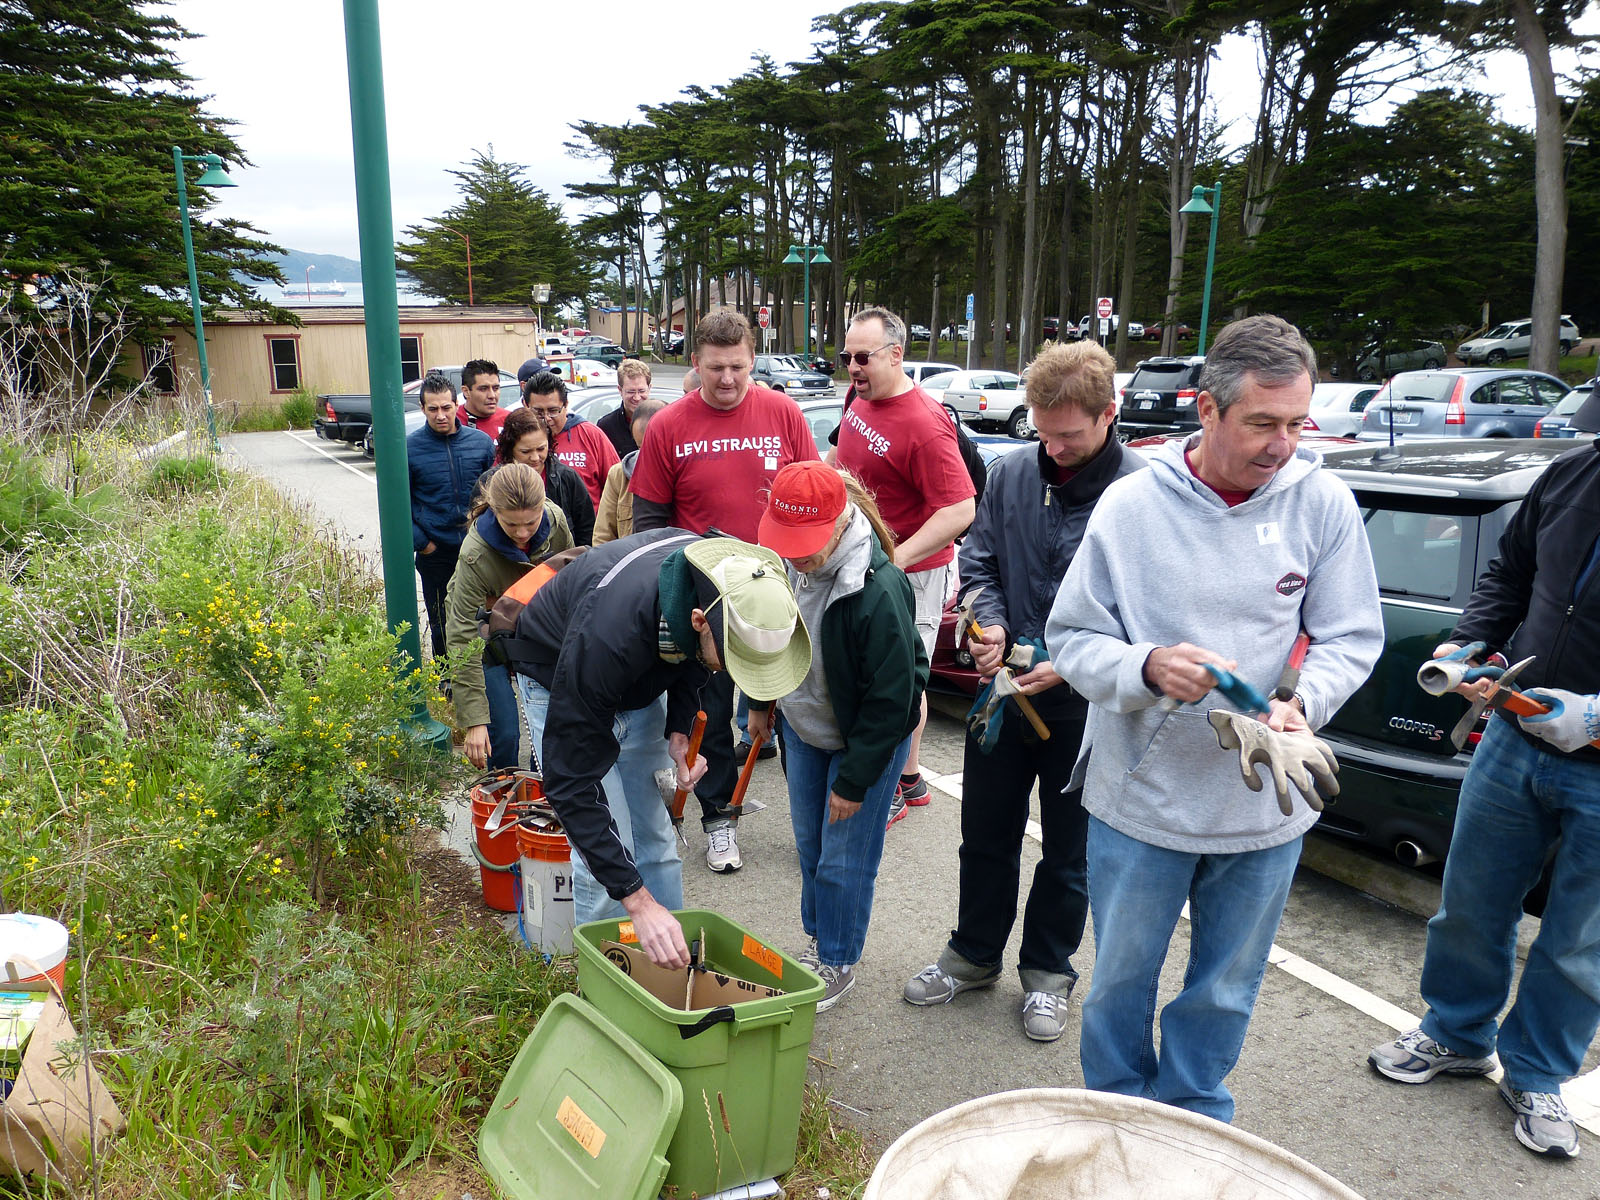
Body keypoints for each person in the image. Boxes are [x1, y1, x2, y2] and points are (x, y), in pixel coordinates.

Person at [1045, 314, 1383, 1122]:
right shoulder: (1132, 506)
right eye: (1262, 423)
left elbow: (1350, 636)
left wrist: (1302, 703)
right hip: (1142, 798)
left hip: (1265, 799)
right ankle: (1120, 1117)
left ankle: (1196, 1119)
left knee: (1227, 986)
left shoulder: (1324, 503)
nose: (1283, 444)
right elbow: (1073, 640)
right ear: (1206, 408)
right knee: (1121, 980)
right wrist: (1146, 666)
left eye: (1297, 423)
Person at [903, 339, 1143, 1042]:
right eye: (1043, 432)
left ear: (1108, 414)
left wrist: (1072, 663)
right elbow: (978, 563)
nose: (1054, 449)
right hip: (1003, 694)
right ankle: (974, 955)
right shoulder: (1010, 472)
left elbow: (1149, 612)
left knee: (1070, 851)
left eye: (1069, 436)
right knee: (984, 834)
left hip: (1088, 706)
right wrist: (989, 626)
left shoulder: (1142, 493)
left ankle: (1047, 971)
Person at [1368, 436, 1600, 1159]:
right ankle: (1457, 1032)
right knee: (1470, 902)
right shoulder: (1574, 473)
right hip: (1513, 736)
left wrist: (1597, 718)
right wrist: (1470, 642)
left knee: (1581, 940)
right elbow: (1512, 573)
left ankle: (1537, 1075)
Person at [504, 531, 811, 967]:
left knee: (657, 844)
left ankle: (672, 968)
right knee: (606, 862)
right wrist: (638, 902)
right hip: (559, 676)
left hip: (636, 674)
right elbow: (570, 784)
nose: (731, 674)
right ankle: (607, 978)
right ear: (700, 621)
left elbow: (697, 659)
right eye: (733, 662)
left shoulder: (722, 581)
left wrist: (679, 728)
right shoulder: (607, 637)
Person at [631, 310, 820, 874]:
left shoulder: (783, 413)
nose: (729, 378)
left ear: (753, 359)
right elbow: (649, 521)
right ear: (696, 363)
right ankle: (718, 821)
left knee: (791, 703)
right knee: (709, 712)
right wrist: (664, 598)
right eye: (716, 368)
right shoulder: (669, 425)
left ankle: (811, 826)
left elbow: (812, 495)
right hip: (703, 591)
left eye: (738, 366)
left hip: (774, 584)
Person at [751, 462, 927, 1012]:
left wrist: (854, 782)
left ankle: (838, 957)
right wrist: (760, 702)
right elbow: (769, 640)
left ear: (839, 523)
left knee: (844, 859)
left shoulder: (878, 590)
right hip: (805, 728)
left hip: (865, 740)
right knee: (811, 847)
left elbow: (892, 700)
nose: (794, 554)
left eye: (804, 541)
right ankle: (819, 939)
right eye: (785, 539)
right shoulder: (785, 568)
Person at [831, 306, 974, 824]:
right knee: (864, 673)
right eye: (846, 357)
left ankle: (895, 783)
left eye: (863, 357)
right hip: (859, 560)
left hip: (913, 574)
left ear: (896, 355)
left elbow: (960, 509)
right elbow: (841, 460)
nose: (852, 367)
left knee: (900, 680)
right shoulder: (859, 397)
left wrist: (895, 559)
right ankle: (908, 778)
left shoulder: (925, 424)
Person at [444, 462, 573, 769]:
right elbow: (462, 635)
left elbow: (572, 584)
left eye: (530, 522)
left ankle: (543, 787)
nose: (522, 533)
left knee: (552, 732)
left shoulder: (556, 522)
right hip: (484, 634)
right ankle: (502, 789)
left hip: (535, 627)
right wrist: (475, 721)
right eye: (511, 524)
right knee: (502, 734)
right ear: (494, 510)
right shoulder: (475, 553)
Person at [407, 370, 496, 660]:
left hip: (478, 548)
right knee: (441, 622)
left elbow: (493, 495)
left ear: (457, 404)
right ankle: (446, 677)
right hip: (436, 553)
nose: (441, 415)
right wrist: (424, 544)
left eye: (446, 407)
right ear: (422, 408)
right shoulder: (408, 449)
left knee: (482, 617)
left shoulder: (481, 443)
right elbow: (399, 504)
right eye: (433, 409)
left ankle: (483, 671)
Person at [494, 408, 594, 547]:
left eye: (541, 449)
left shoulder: (567, 477)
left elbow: (587, 530)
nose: (535, 458)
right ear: (510, 449)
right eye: (525, 451)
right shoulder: (491, 482)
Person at [523, 370, 619, 512]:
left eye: (553, 411)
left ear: (566, 405)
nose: (546, 418)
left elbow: (617, 487)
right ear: (525, 405)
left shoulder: (590, 435)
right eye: (538, 412)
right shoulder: (516, 439)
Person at [595, 398, 667, 545]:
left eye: (653, 448)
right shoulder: (618, 475)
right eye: (640, 447)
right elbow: (603, 536)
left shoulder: (686, 474)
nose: (646, 455)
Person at [597, 359, 653, 458]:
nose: (637, 397)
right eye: (631, 392)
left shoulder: (662, 423)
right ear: (620, 390)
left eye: (641, 391)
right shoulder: (606, 426)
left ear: (649, 388)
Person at [458, 358, 508, 439]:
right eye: (483, 389)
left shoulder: (509, 420)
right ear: (466, 391)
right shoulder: (452, 422)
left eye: (496, 388)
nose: (492, 395)